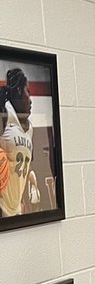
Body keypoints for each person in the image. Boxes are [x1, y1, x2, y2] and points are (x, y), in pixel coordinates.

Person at [0, 68, 40, 217]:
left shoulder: (30, 129)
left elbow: (24, 169)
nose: (30, 99)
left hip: (16, 210)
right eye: (27, 91)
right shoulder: (4, 114)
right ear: (18, 91)